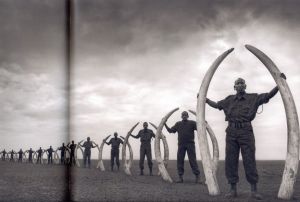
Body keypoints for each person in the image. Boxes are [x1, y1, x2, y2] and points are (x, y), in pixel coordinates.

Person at [205, 76, 285, 199]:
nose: (240, 84)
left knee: (249, 160)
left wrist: (279, 84)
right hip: (231, 132)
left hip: (246, 132)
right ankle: (233, 190)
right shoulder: (229, 100)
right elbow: (216, 105)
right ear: (234, 87)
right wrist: (205, 100)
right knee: (231, 161)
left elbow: (268, 95)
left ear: (245, 86)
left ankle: (254, 190)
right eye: (238, 83)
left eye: (242, 83)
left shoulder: (253, 98)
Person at [165, 111, 201, 183]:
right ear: (181, 116)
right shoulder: (178, 124)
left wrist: (203, 122)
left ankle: (197, 177)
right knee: (180, 160)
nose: (184, 116)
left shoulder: (192, 123)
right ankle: (180, 177)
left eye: (185, 115)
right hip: (181, 145)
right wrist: (164, 124)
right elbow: (170, 131)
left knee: (192, 160)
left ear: (187, 116)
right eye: (183, 115)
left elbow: (200, 128)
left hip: (190, 144)